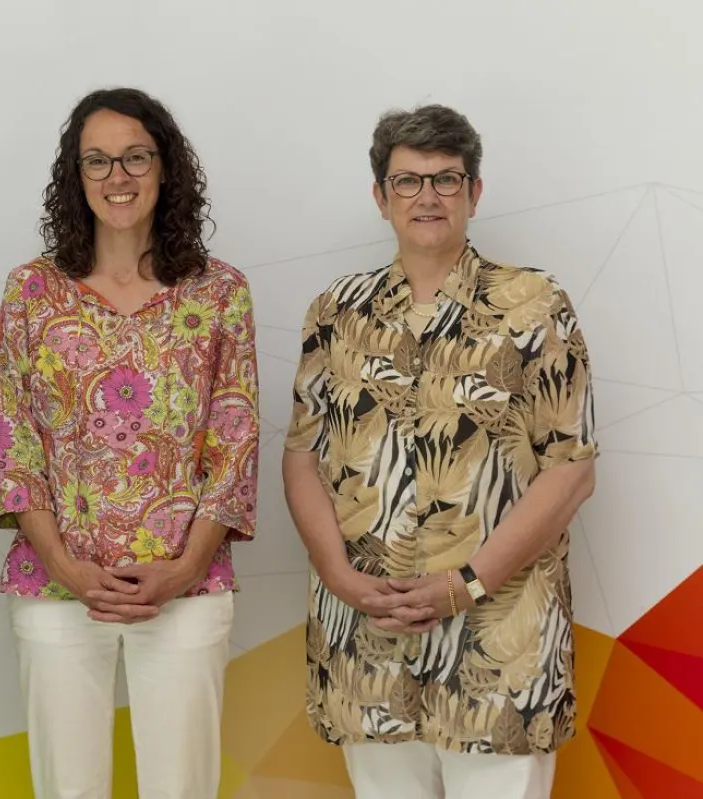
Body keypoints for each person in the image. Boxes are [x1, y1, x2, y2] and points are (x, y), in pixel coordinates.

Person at [282, 103, 598, 799]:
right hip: (368, 642)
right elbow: (302, 454)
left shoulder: (535, 305)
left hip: (497, 646)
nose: (427, 197)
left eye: (446, 180)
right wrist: (338, 575)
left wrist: (468, 582)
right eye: (407, 181)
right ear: (380, 197)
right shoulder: (335, 312)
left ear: (474, 192)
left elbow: (571, 471)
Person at [0, 87, 260, 798]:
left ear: (166, 168)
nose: (118, 177)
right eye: (98, 161)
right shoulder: (32, 293)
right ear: (74, 177)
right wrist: (69, 569)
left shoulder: (219, 291)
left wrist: (181, 569)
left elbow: (233, 447)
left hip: (186, 588)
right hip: (56, 588)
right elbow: (15, 449)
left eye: (136, 157)